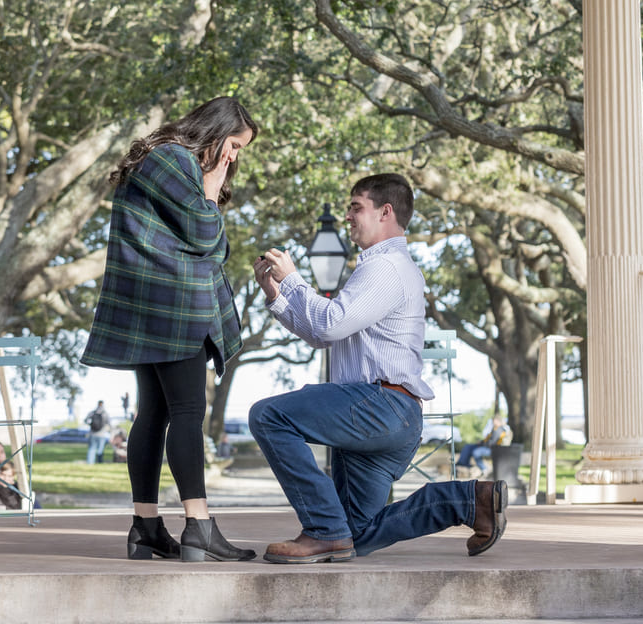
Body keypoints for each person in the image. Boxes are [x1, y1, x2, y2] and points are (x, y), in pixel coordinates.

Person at [250, 173, 506, 564]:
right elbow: (325, 336)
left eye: (356, 207)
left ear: (386, 211)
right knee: (356, 534)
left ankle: (321, 531)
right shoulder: (380, 270)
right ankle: (471, 501)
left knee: (268, 416)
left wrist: (295, 281)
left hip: (380, 407)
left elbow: (329, 322)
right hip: (386, 416)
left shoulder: (386, 267)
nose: (348, 216)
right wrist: (277, 297)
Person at [80, 96, 259, 562]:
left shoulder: (163, 161)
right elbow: (206, 236)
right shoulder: (173, 158)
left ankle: (146, 527)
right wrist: (215, 184)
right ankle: (198, 525)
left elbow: (205, 240)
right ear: (216, 132)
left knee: (154, 413)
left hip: (152, 307)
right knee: (186, 412)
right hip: (174, 304)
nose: (234, 156)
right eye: (235, 145)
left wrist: (211, 199)